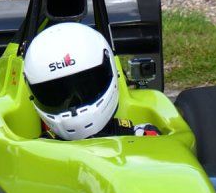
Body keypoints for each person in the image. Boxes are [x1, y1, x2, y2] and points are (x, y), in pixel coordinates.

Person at [21, 21, 159, 140]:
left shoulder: (145, 136)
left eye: (85, 87)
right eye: (56, 94)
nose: (74, 106)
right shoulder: (35, 152)